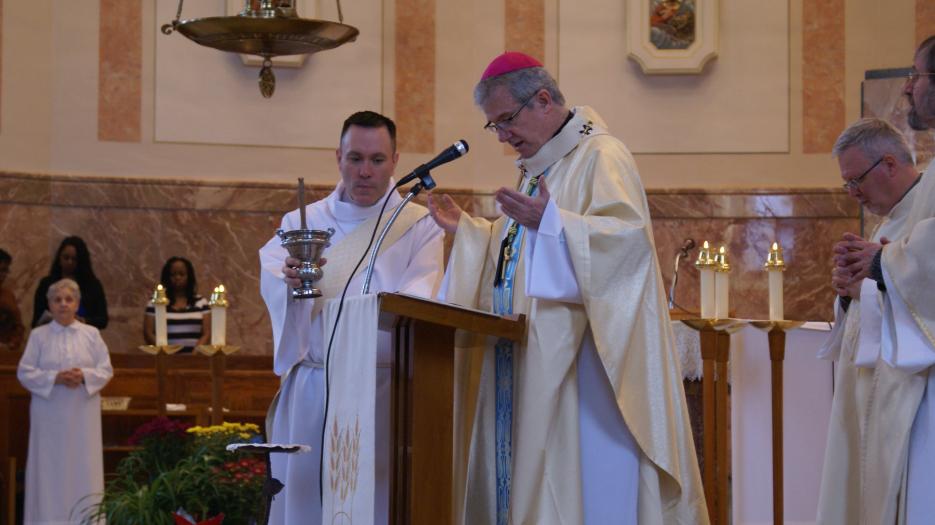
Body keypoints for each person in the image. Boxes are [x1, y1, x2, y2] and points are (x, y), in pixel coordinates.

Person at [427, 52, 706, 524]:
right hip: (534, 356)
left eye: (506, 121)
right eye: (493, 127)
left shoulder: (601, 155)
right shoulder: (540, 164)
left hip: (586, 371)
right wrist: (473, 233)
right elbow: (519, 251)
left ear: (542, 99)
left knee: (583, 489)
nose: (503, 136)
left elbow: (627, 243)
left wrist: (553, 223)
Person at [258, 110, 444, 525]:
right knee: (306, 502)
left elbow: (418, 301)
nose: (365, 171)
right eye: (354, 158)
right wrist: (288, 285)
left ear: (396, 160)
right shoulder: (301, 224)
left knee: (374, 502)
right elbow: (274, 282)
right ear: (337, 156)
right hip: (313, 388)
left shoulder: (420, 226)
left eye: (377, 160)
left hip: (380, 391)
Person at [817, 36, 935, 524]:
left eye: (917, 75)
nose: (907, 87)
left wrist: (881, 267)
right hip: (883, 400)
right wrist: (851, 291)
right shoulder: (890, 223)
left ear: (889, 164)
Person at [17, 278, 113, 524]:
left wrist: (83, 376)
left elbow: (105, 370)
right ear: (49, 304)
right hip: (48, 415)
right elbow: (25, 372)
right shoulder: (39, 336)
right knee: (49, 469)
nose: (63, 304)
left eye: (68, 300)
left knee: (83, 467)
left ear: (77, 304)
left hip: (82, 414)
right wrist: (55, 377)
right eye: (57, 300)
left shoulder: (91, 335)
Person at [32, 236, 108, 330]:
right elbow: (36, 320)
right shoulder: (46, 284)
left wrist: (83, 321)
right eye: (66, 257)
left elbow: (102, 320)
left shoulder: (92, 286)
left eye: (74, 259)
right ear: (59, 258)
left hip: (82, 337)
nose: (69, 262)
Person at [143, 256, 211, 352]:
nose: (177, 278)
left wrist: (196, 351)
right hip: (164, 359)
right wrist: (165, 352)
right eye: (173, 274)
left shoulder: (201, 302)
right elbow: (148, 333)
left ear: (189, 276)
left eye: (182, 274)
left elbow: (206, 333)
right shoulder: (155, 303)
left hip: (194, 358)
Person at [0, 248, 25, 351]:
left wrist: (12, 343)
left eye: (5, 270)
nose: (3, 275)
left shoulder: (8, 296)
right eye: (0, 270)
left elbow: (18, 327)